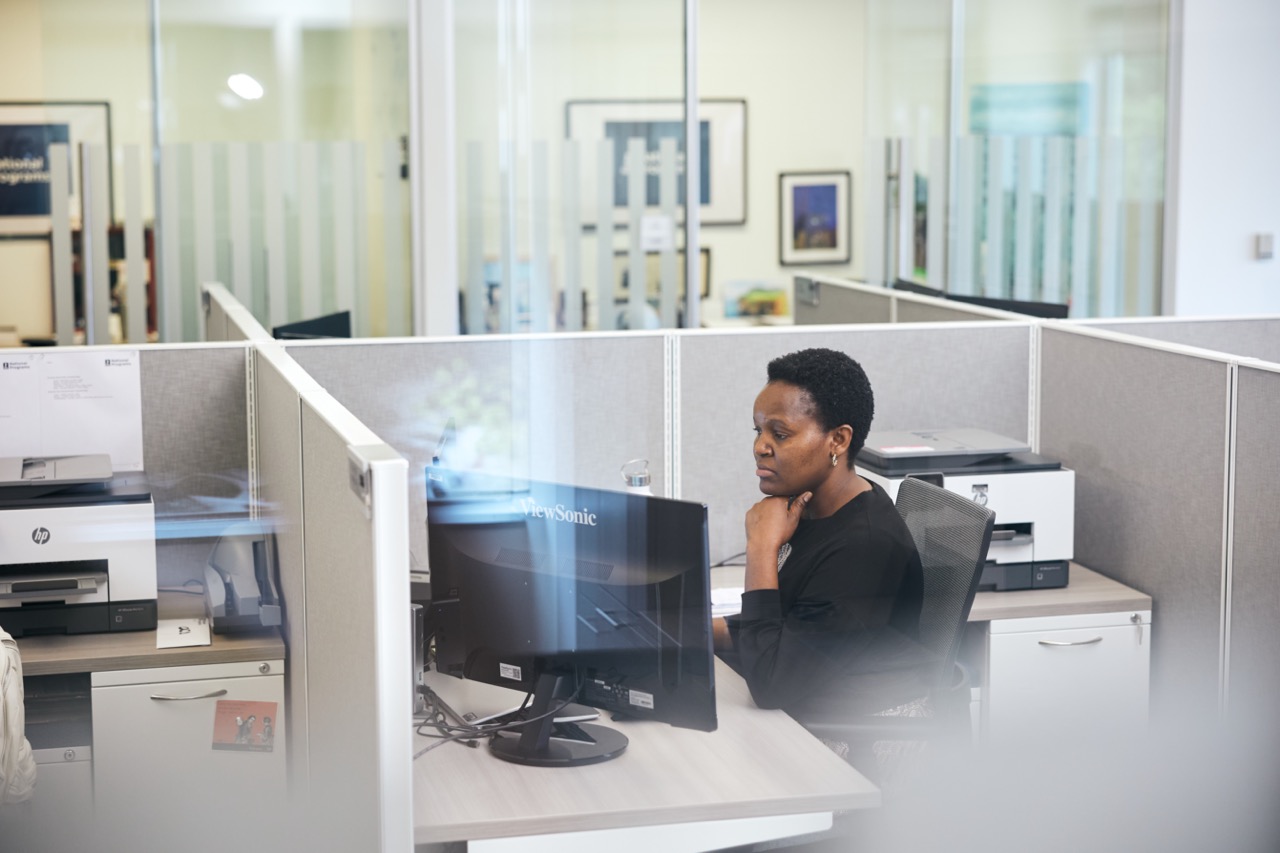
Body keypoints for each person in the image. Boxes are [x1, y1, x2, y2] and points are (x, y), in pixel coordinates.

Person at [714, 347, 934, 729]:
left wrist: (761, 547)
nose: (760, 447)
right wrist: (671, 629)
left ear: (838, 441)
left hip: (857, 734)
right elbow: (783, 625)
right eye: (759, 430)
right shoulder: (816, 508)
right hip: (809, 708)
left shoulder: (863, 546)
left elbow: (770, 685)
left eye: (779, 434)